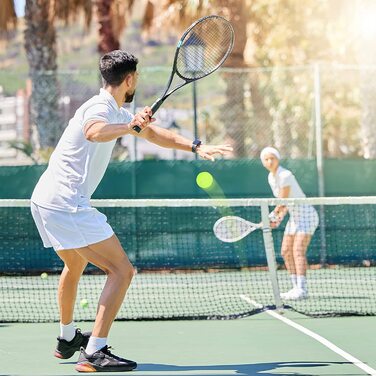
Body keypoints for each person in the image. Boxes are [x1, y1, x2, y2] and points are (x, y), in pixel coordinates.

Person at [30, 50, 233, 373]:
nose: (136, 82)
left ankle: (67, 337)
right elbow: (93, 132)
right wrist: (128, 126)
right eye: (136, 77)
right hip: (66, 203)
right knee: (122, 271)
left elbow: (154, 134)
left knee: (75, 262)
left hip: (45, 199)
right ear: (129, 79)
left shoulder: (115, 110)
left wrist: (195, 146)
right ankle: (95, 351)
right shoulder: (100, 109)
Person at [260, 147, 319, 301]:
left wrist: (271, 216)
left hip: (307, 215)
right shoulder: (270, 178)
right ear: (263, 162)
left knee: (298, 250)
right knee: (286, 251)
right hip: (295, 217)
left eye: (272, 158)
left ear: (278, 159)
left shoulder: (285, 175)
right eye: (266, 159)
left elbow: (283, 200)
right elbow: (285, 204)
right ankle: (295, 287)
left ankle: (302, 289)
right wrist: (278, 219)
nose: (270, 161)